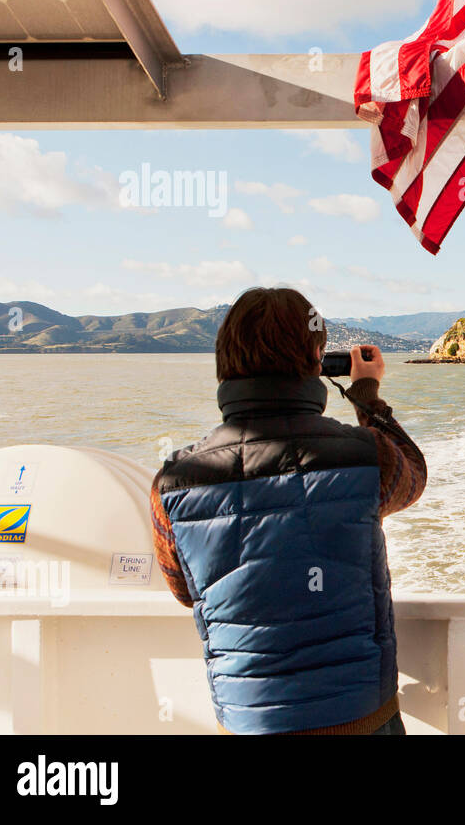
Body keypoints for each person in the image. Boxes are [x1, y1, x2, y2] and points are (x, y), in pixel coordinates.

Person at [149, 287, 426, 735]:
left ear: (224, 363)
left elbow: (185, 590)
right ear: (317, 361)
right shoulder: (366, 455)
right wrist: (366, 395)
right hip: (358, 717)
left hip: (247, 720)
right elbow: (413, 473)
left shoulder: (173, 483)